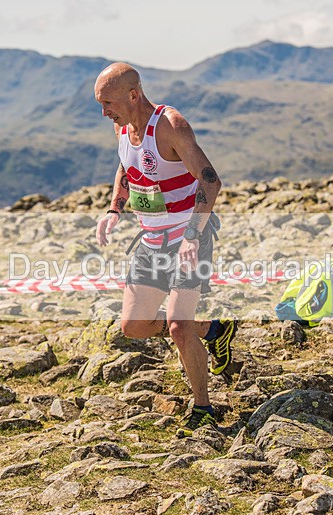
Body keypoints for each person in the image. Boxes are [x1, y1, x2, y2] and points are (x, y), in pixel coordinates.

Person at [94, 63, 238, 438]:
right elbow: (126, 168)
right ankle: (214, 330)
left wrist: (193, 233)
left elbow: (211, 179)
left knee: (178, 326)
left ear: (133, 94)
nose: (103, 111)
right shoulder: (121, 126)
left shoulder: (171, 125)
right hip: (149, 240)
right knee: (133, 326)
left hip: (188, 238)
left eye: (107, 102)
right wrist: (114, 208)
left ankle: (203, 408)